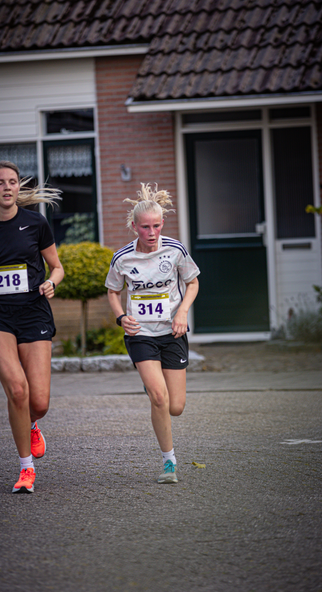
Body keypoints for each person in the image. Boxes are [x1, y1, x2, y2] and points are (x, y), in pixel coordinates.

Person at [0, 160, 64, 494]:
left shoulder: (36, 224)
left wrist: (51, 283)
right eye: (0, 182)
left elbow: (56, 267)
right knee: (17, 390)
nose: (7, 187)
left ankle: (31, 422)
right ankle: (26, 469)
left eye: (13, 182)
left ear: (19, 187)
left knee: (40, 401)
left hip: (34, 313)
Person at [106, 183, 200, 483]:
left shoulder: (175, 250)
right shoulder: (122, 258)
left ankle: (158, 389)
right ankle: (169, 463)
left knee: (176, 406)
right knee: (159, 397)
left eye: (156, 226)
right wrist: (122, 317)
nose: (151, 232)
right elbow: (112, 291)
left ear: (163, 224)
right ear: (134, 227)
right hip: (140, 334)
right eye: (145, 227)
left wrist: (183, 312)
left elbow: (193, 283)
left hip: (172, 332)